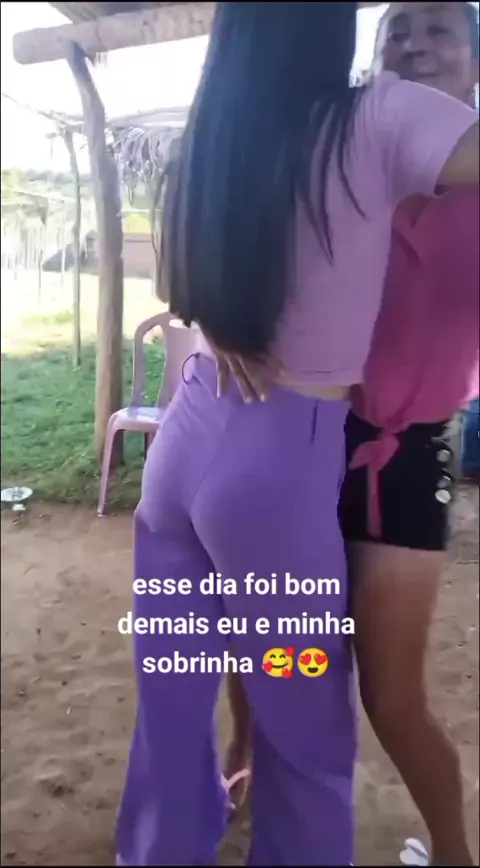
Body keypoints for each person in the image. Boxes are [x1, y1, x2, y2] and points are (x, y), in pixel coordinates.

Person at [116, 3, 479, 865]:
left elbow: (174, 274)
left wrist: (222, 316)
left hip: (184, 448)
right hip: (275, 477)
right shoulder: (378, 115)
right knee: (306, 727)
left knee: (172, 695)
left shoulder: (224, 132)